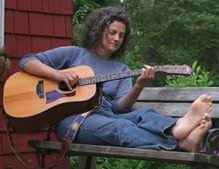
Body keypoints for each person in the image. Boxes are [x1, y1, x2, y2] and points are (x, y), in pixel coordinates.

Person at [19, 6, 212, 152]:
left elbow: (120, 109)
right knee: (122, 127)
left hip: (107, 117)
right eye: (112, 32)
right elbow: (27, 61)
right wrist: (58, 75)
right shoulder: (73, 54)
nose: (117, 38)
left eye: (121, 35)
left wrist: (139, 86)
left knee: (142, 113)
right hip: (73, 121)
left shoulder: (122, 69)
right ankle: (180, 144)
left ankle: (177, 128)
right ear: (98, 30)